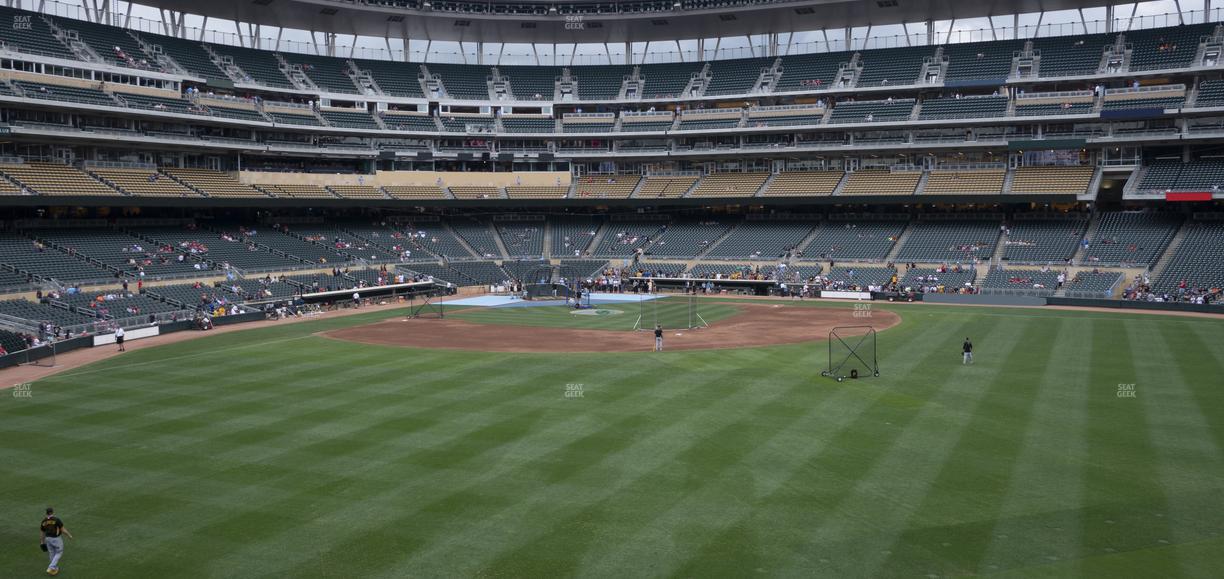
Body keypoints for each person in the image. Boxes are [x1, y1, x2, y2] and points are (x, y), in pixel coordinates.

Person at [40, 507, 73, 576]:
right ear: (52, 512)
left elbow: (42, 533)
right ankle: (51, 567)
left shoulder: (44, 521)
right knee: (59, 552)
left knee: (51, 553)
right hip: (56, 539)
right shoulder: (56, 520)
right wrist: (69, 535)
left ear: (46, 513)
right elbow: (62, 529)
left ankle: (54, 569)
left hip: (47, 539)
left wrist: (42, 542)